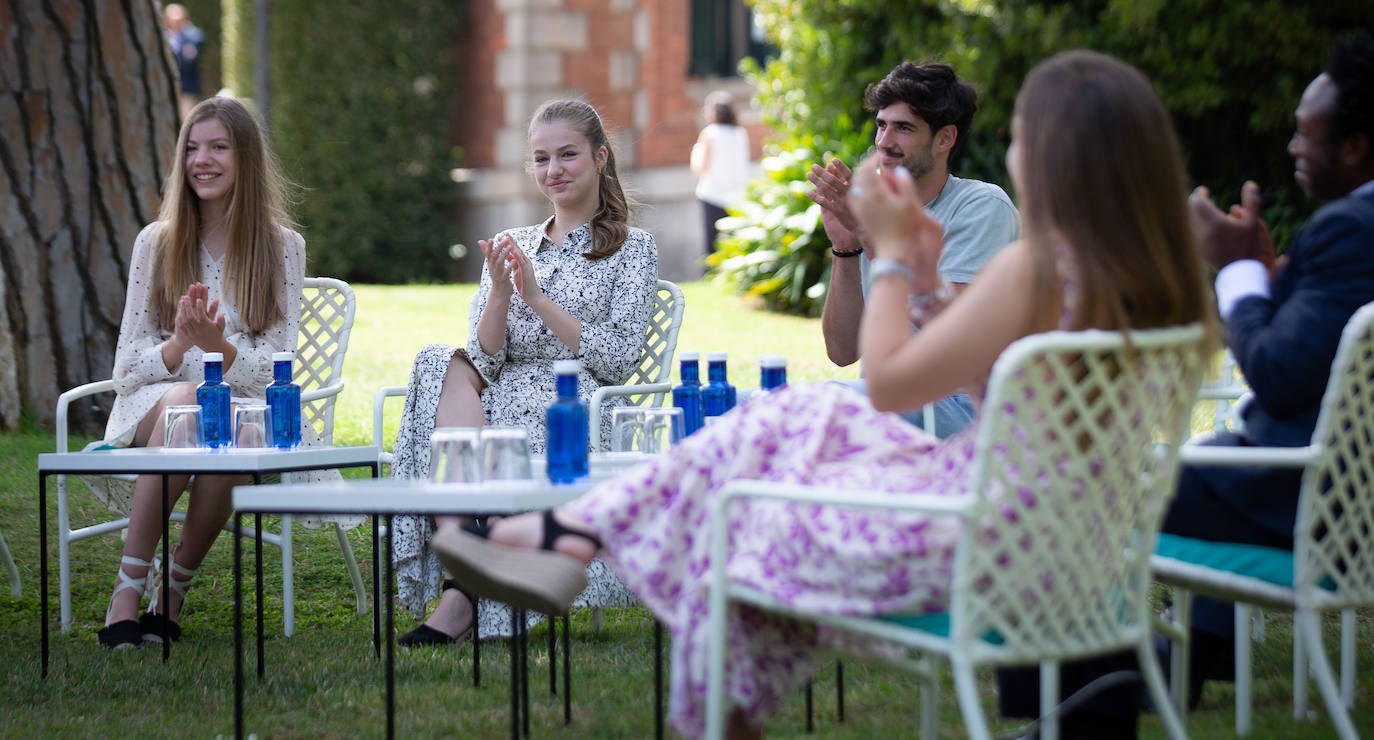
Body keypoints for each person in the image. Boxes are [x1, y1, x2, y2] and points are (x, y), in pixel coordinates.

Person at [428, 50, 1215, 739]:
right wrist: (912, 268)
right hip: (1053, 533)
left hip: (976, 535)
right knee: (789, 431)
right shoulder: (1157, 286)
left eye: (1022, 140)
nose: (1011, 153)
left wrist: (898, 257)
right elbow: (993, 374)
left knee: (756, 506)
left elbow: (888, 381)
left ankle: (567, 535)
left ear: (1055, 159)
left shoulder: (1033, 268)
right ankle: (568, 534)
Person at [389, 98, 659, 645]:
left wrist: (535, 298)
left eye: (567, 155)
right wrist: (502, 294)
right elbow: (484, 358)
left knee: (497, 419)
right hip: (497, 394)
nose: (553, 171)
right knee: (437, 360)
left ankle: (459, 592)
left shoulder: (633, 248)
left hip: (573, 402)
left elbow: (621, 358)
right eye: (541, 159)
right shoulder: (516, 243)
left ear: (600, 158)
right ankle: (466, 569)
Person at [1161, 34, 1374, 703]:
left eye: (1305, 136)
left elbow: (1278, 371)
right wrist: (1265, 270)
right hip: (1341, 487)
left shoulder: (1353, 228)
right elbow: (1310, 341)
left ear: (1354, 146)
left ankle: (1086, 694)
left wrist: (1237, 270)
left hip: (1316, 504)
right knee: (1208, 453)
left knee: (1097, 486)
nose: (1292, 150)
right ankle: (1189, 660)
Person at [94, 95, 305, 649]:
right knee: (192, 398)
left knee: (227, 418)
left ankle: (173, 592)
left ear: (246, 160)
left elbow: (277, 369)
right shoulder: (156, 242)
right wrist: (180, 345)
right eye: (192, 148)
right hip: (153, 407)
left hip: (239, 413)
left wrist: (220, 348)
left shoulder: (282, 248)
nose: (201, 160)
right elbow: (125, 372)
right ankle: (127, 589)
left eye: (218, 147)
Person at [807, 61, 1019, 438]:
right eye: (882, 125)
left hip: (959, 408)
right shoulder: (878, 213)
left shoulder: (982, 208)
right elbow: (842, 352)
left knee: (817, 408)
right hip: (883, 403)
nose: (884, 142)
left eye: (903, 128)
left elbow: (949, 343)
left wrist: (866, 231)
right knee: (754, 405)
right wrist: (846, 247)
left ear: (945, 138)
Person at [690, 90, 752, 258]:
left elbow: (700, 167)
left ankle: (711, 274)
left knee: (712, 243)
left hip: (712, 194)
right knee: (733, 241)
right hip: (736, 196)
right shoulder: (740, 133)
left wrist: (696, 150)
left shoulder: (710, 133)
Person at [164, 3, 204, 119]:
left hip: (186, 88)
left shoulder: (194, 36)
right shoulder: (164, 35)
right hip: (168, 87)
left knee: (186, 121)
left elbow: (188, 60)